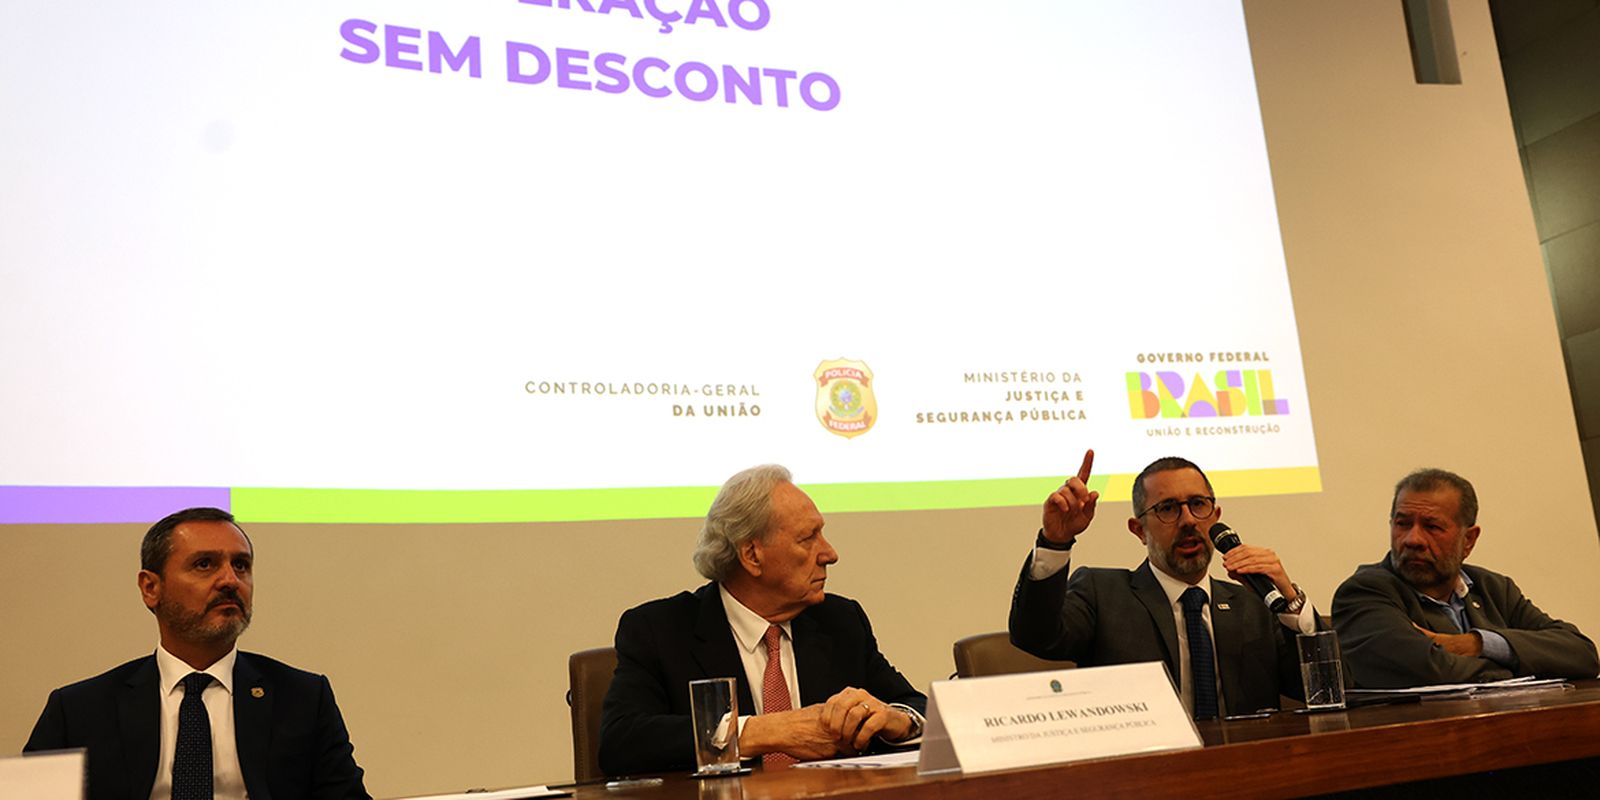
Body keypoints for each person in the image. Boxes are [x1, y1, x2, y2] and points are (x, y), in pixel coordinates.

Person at [599, 465, 926, 775]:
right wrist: (766, 731)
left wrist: (898, 721)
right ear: (752, 555)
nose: (830, 554)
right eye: (807, 538)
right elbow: (620, 742)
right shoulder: (660, 630)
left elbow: (917, 707)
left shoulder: (840, 622)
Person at [24, 507, 370, 800]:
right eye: (205, 564)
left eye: (241, 565)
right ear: (150, 587)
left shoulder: (302, 698)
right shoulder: (79, 710)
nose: (230, 580)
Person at [1008, 451, 1319, 718]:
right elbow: (1035, 636)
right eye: (1167, 508)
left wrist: (1290, 601)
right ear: (1139, 530)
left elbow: (1322, 690)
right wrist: (1055, 542)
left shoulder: (1255, 604)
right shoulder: (1102, 594)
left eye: (1198, 504)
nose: (1188, 520)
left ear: (1215, 517)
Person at [1332, 468, 1598, 688]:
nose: (1413, 539)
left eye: (1432, 526)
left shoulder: (1493, 588)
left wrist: (1476, 644)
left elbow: (1582, 653)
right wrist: (1524, 668)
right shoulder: (1364, 592)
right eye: (1403, 524)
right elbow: (1432, 671)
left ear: (1469, 539)